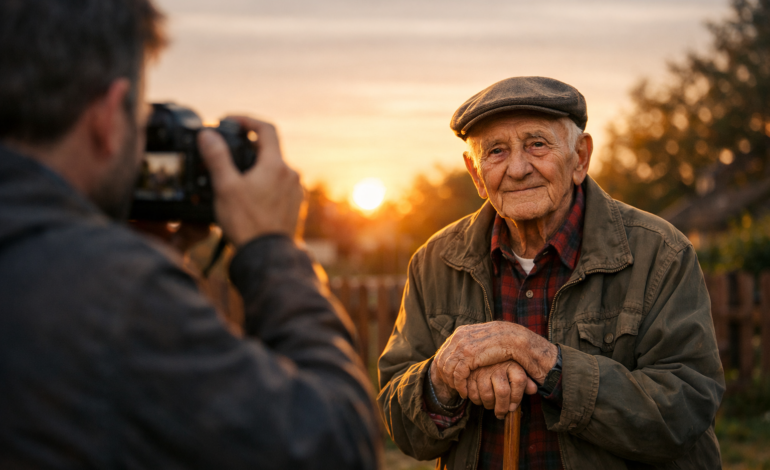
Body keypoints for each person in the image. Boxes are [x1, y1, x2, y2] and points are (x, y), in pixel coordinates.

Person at [0, 1, 379, 468]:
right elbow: (335, 445)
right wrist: (273, 251)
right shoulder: (119, 295)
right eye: (142, 120)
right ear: (108, 115)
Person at [378, 76, 725, 469]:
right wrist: (442, 378)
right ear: (476, 174)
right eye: (496, 151)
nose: (519, 168)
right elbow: (398, 417)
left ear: (580, 157)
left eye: (537, 144)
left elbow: (686, 410)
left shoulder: (660, 252)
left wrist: (545, 361)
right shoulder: (435, 261)